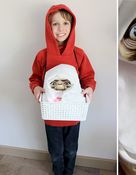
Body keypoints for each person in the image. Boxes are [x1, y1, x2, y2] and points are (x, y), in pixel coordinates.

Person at [29, 4, 96, 175]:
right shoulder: (42, 56)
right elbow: (35, 77)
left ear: (72, 26)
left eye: (66, 23)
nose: (61, 29)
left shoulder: (78, 54)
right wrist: (36, 87)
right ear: (48, 26)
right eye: (55, 24)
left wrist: (89, 89)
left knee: (71, 150)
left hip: (73, 113)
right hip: (51, 114)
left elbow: (88, 77)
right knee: (56, 152)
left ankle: (69, 172)